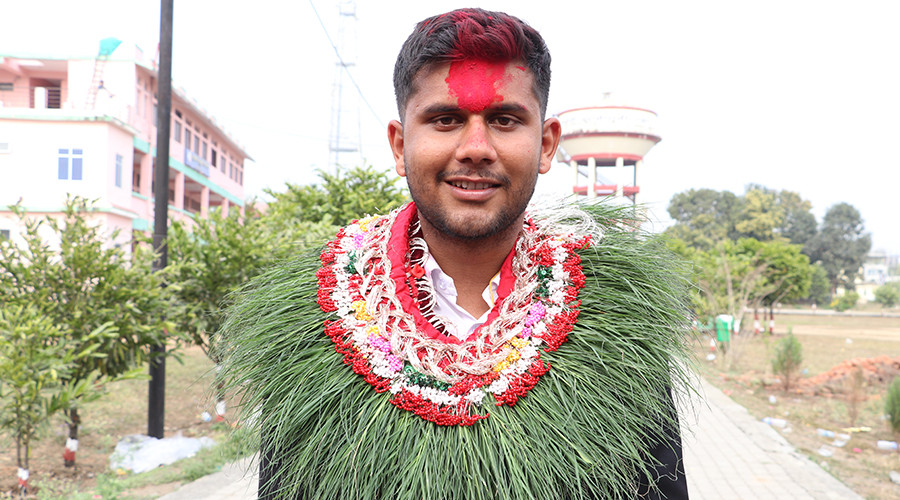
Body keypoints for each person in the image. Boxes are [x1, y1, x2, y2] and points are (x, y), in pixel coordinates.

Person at [217, 8, 691, 499]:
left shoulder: (619, 318)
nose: (476, 148)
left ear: (547, 144)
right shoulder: (308, 324)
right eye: (445, 120)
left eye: (505, 120)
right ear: (399, 145)